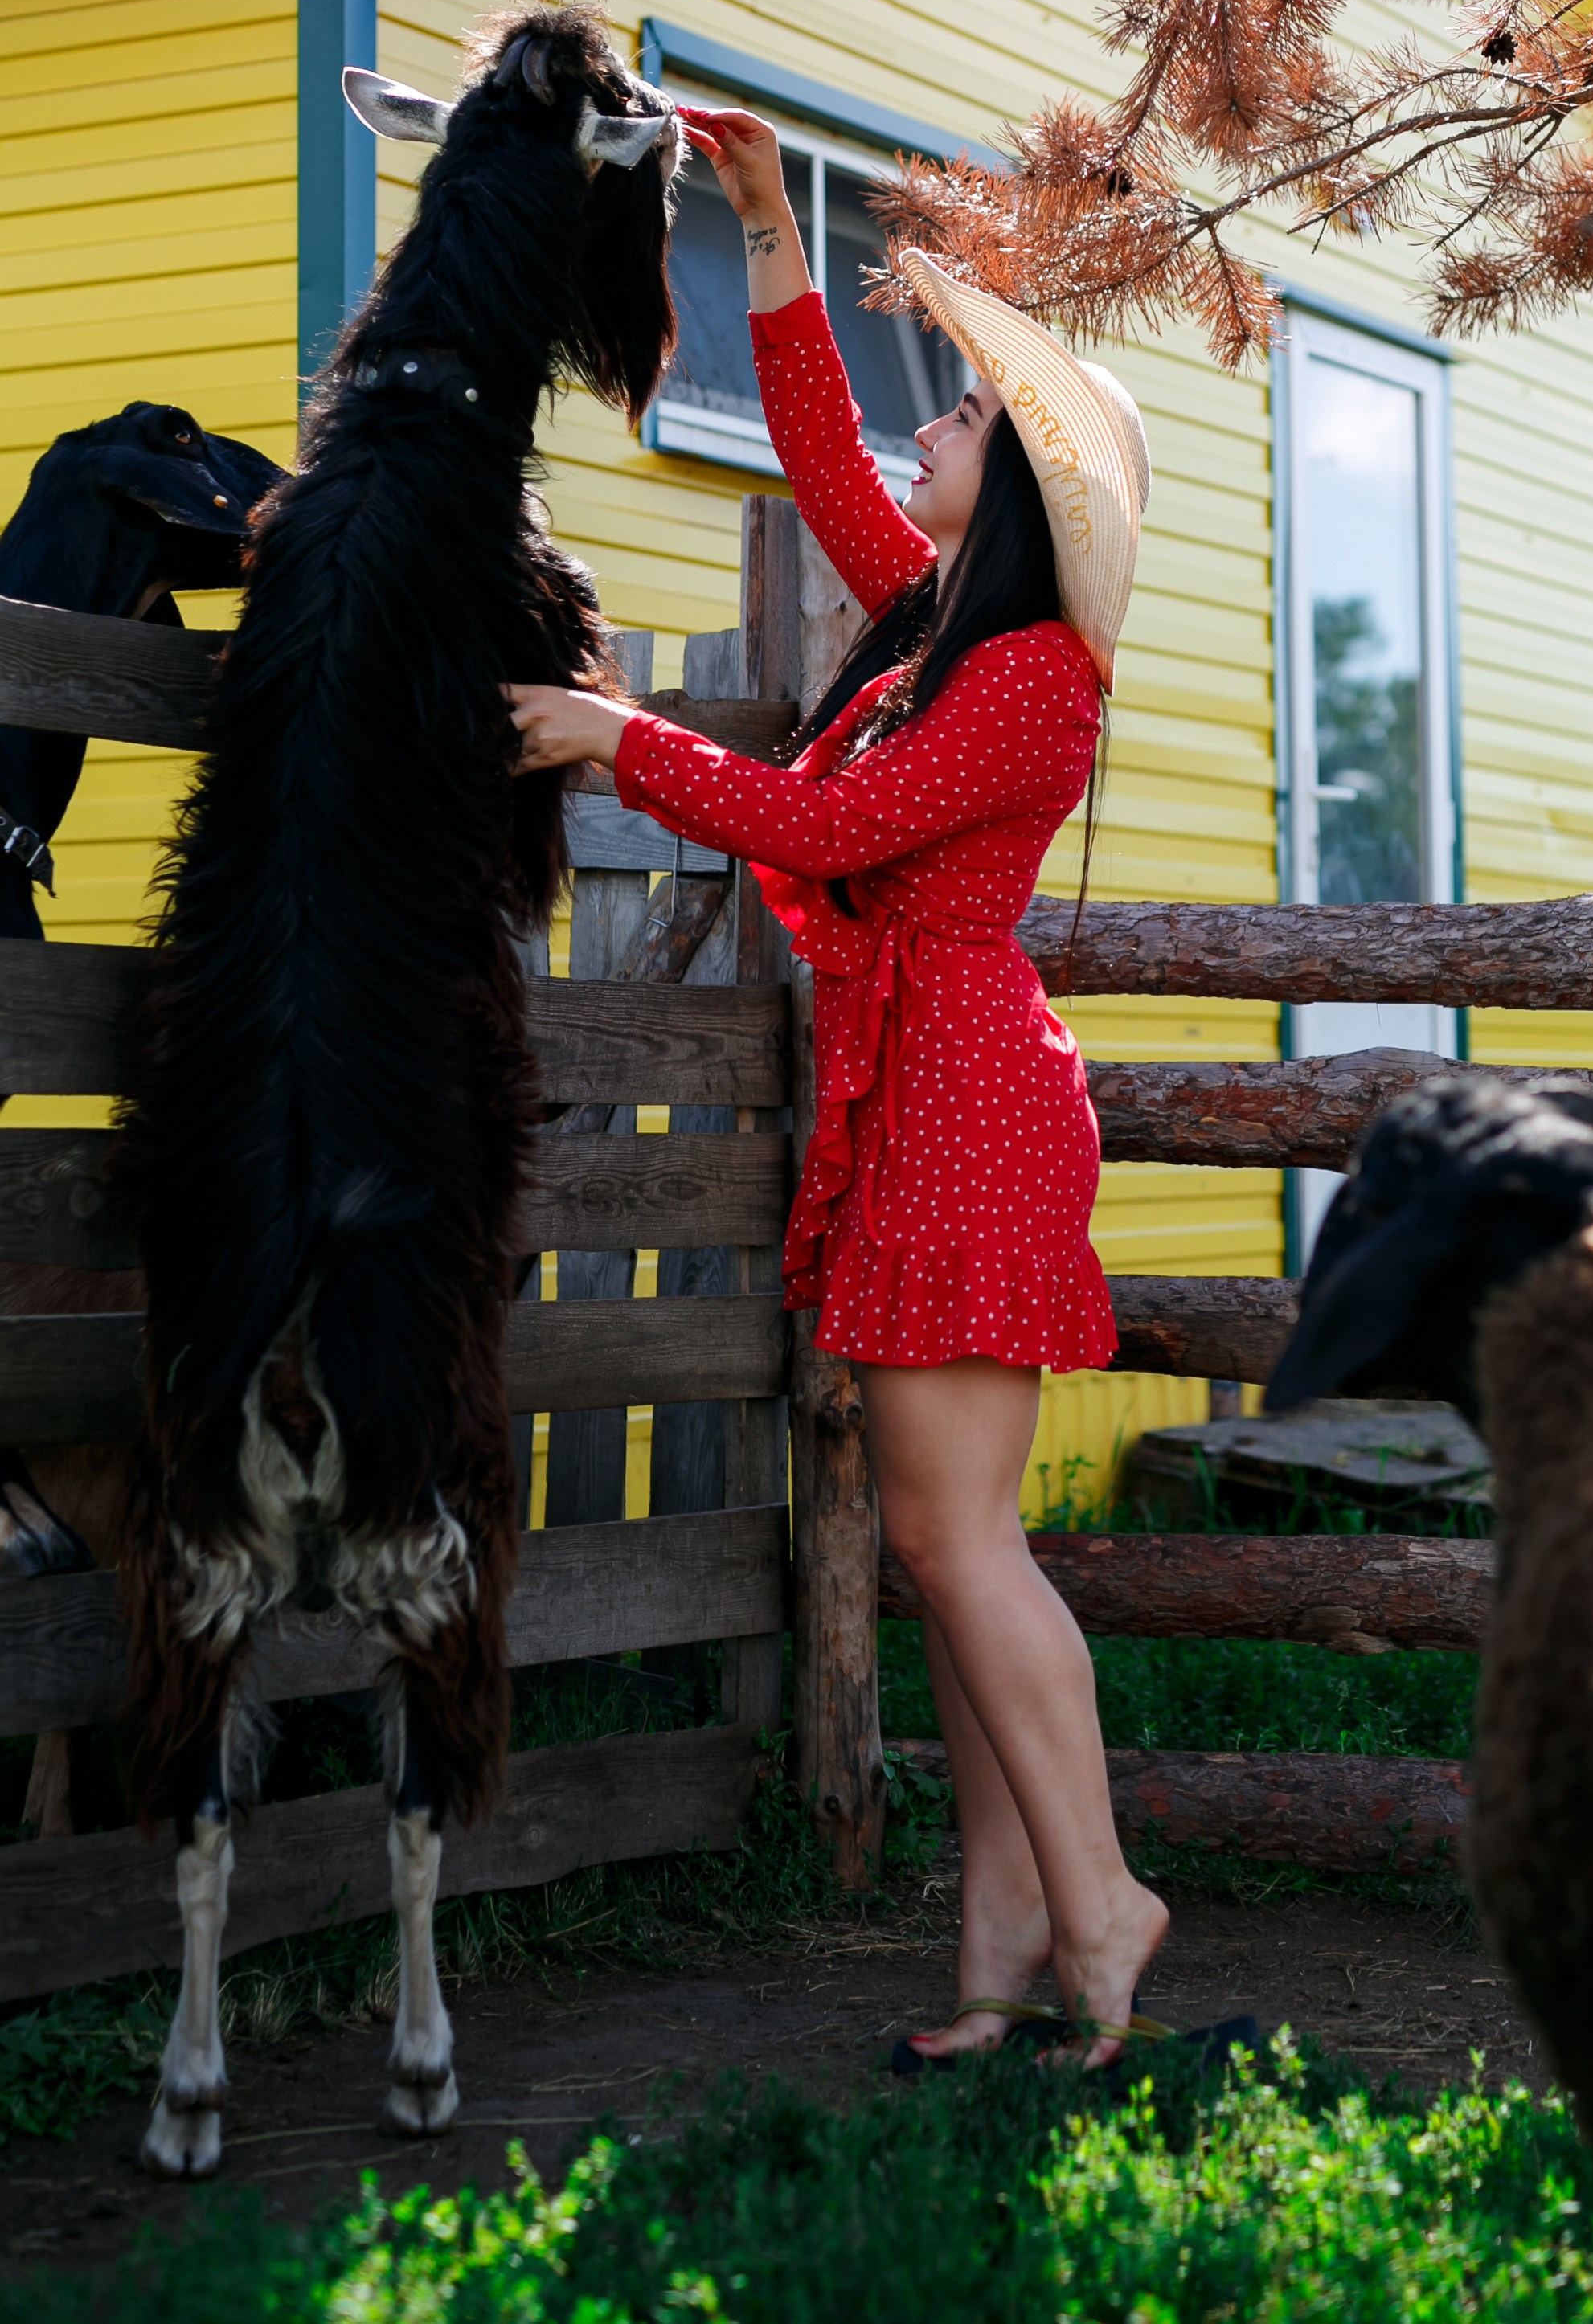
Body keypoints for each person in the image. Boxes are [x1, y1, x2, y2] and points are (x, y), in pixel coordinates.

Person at [507, 107, 1166, 2068]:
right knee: (953, 1539)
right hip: (929, 1091)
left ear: (1027, 488)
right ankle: (1000, 1935)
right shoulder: (938, 624)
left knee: (954, 1545)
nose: (923, 432)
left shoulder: (1034, 675)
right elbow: (812, 455)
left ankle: (1105, 1896)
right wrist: (770, 239)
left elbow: (838, 817)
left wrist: (620, 739)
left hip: (961, 1093)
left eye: (957, 420)